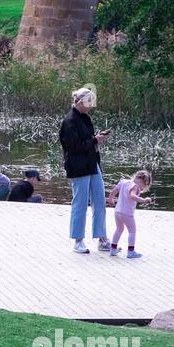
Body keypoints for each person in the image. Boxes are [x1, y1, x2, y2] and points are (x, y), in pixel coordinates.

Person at [59, 87, 111, 254]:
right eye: (89, 102)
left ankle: (102, 238)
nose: (91, 105)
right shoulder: (69, 121)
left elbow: (87, 140)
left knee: (99, 199)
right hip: (78, 165)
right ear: (79, 102)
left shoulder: (85, 118)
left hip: (92, 162)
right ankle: (78, 240)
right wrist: (94, 140)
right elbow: (72, 147)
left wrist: (97, 139)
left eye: (92, 102)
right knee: (80, 202)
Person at [108, 170, 152, 258]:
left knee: (119, 229)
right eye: (144, 186)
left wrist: (111, 199)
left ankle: (113, 249)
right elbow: (132, 196)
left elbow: (113, 192)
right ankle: (131, 251)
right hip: (127, 213)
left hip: (117, 211)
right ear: (144, 182)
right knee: (132, 231)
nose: (142, 189)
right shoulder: (135, 186)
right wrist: (143, 200)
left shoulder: (123, 182)